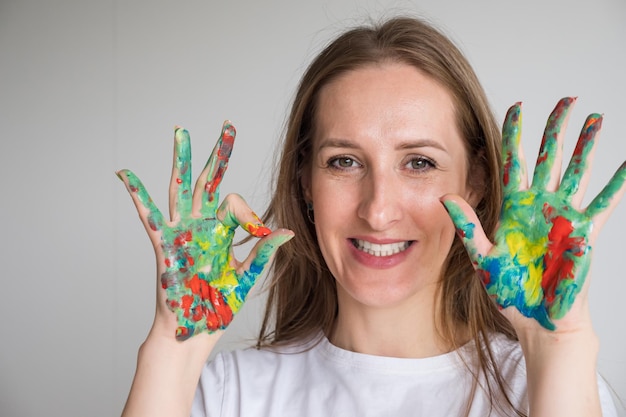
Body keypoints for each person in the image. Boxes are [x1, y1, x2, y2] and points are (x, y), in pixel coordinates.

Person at [117, 16, 625, 417]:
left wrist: (556, 345)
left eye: (419, 163)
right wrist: (172, 350)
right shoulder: (227, 395)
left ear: (476, 183)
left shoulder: (551, 382)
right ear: (304, 182)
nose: (378, 210)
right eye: (344, 162)